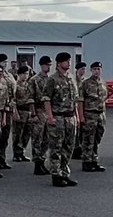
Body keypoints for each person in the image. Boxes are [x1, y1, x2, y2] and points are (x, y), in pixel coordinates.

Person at [41, 52, 81, 187]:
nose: (69, 63)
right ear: (59, 64)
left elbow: (74, 99)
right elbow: (46, 99)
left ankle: (65, 172)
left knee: (68, 147)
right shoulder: (53, 79)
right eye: (66, 61)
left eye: (69, 61)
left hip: (70, 117)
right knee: (56, 147)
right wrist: (50, 117)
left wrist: (76, 116)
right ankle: (56, 174)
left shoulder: (71, 78)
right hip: (58, 117)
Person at [80, 61, 107, 172]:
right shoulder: (85, 83)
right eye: (95, 69)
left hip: (100, 114)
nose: (97, 71)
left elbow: (104, 99)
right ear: (91, 70)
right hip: (89, 114)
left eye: (98, 69)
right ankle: (86, 161)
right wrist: (81, 116)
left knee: (97, 138)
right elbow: (80, 100)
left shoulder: (103, 83)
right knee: (88, 139)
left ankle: (94, 160)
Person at [29, 56, 53, 175]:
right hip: (38, 110)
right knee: (37, 138)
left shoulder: (50, 79)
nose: (49, 67)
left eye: (50, 65)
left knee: (47, 138)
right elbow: (31, 98)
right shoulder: (34, 80)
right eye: (47, 65)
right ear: (42, 65)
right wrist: (33, 114)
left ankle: (42, 160)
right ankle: (37, 163)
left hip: (47, 111)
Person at [0, 54, 16, 169]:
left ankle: (1, 158)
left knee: (5, 136)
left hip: (9, 109)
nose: (5, 64)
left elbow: (13, 94)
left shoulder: (10, 75)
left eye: (6, 62)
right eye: (3, 62)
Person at [11, 65, 36, 161]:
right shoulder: (16, 85)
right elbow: (13, 100)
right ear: (19, 74)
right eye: (24, 74)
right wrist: (15, 112)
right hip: (20, 110)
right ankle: (16, 153)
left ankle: (22, 152)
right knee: (18, 133)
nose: (26, 76)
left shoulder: (29, 85)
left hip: (28, 111)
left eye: (27, 74)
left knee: (27, 133)